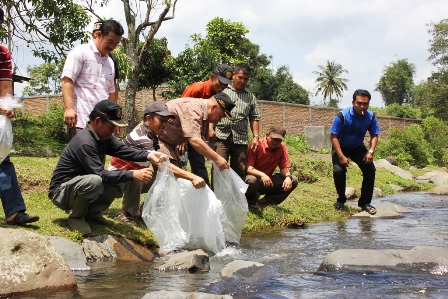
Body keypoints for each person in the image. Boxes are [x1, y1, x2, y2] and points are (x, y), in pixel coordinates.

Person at [48, 100, 163, 235]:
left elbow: (124, 150)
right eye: (111, 127)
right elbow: (100, 175)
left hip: (80, 185)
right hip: (61, 192)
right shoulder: (85, 141)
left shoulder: (104, 137)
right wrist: (132, 174)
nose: (114, 131)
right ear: (97, 121)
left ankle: (93, 213)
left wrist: (149, 155)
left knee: (120, 178)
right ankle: (76, 217)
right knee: (95, 181)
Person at [109, 102, 206, 225]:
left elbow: (163, 167)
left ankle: (144, 210)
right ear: (149, 119)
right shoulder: (142, 138)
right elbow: (163, 165)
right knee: (142, 175)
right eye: (161, 120)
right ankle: (126, 212)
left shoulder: (151, 136)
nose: (165, 125)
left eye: (167, 121)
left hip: (127, 176)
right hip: (117, 181)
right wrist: (192, 176)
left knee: (166, 179)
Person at [0, 8, 39, 225]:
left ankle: (14, 212)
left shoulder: (2, 53)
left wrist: (7, 106)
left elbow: (5, 86)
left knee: (2, 160)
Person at [61, 19, 124, 141]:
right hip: (81, 122)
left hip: (102, 125)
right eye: (110, 41)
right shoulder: (80, 53)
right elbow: (67, 80)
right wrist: (69, 108)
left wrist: (115, 119)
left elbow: (111, 93)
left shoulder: (110, 62)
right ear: (99, 34)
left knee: (98, 160)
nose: (112, 47)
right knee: (82, 160)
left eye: (116, 44)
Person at [180, 63, 233, 185]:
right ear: (212, 76)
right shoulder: (195, 89)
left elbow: (208, 116)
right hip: (183, 133)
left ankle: (206, 197)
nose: (223, 86)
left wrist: (208, 132)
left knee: (199, 164)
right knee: (181, 165)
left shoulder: (217, 95)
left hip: (197, 134)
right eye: (221, 82)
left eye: (226, 84)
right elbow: (181, 113)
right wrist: (182, 139)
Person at [330, 89, 381, 215]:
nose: (362, 106)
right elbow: (333, 137)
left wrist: (370, 151)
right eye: (359, 103)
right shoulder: (342, 116)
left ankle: (364, 203)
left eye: (365, 103)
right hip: (341, 147)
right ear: (353, 103)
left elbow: (374, 135)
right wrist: (341, 156)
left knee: (370, 169)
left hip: (358, 147)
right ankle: (341, 200)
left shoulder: (371, 117)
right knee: (339, 171)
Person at [158, 93, 236, 173]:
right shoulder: (194, 109)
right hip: (160, 143)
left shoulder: (203, 112)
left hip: (170, 146)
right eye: (220, 116)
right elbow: (194, 140)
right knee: (168, 176)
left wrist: (210, 154)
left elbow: (200, 137)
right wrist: (217, 158)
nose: (219, 120)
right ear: (214, 107)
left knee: (172, 177)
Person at [213, 63, 260, 180]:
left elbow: (254, 117)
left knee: (239, 170)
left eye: (246, 79)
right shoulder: (223, 90)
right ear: (234, 75)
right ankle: (217, 197)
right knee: (219, 167)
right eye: (240, 77)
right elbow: (211, 109)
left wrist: (256, 137)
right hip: (221, 136)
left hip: (240, 139)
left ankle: (237, 197)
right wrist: (209, 128)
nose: (243, 81)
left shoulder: (250, 97)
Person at [245, 126, 298, 209]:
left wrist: (288, 177)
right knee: (252, 180)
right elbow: (248, 168)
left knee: (293, 180)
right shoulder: (257, 145)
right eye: (274, 139)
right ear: (267, 135)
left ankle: (267, 201)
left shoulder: (281, 147)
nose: (276, 142)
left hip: (267, 182)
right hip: (253, 181)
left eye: (279, 140)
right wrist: (262, 175)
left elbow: (284, 167)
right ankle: (250, 201)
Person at [92, 21, 120, 102]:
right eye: (96, 33)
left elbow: (113, 84)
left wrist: (116, 103)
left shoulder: (111, 59)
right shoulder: (83, 53)